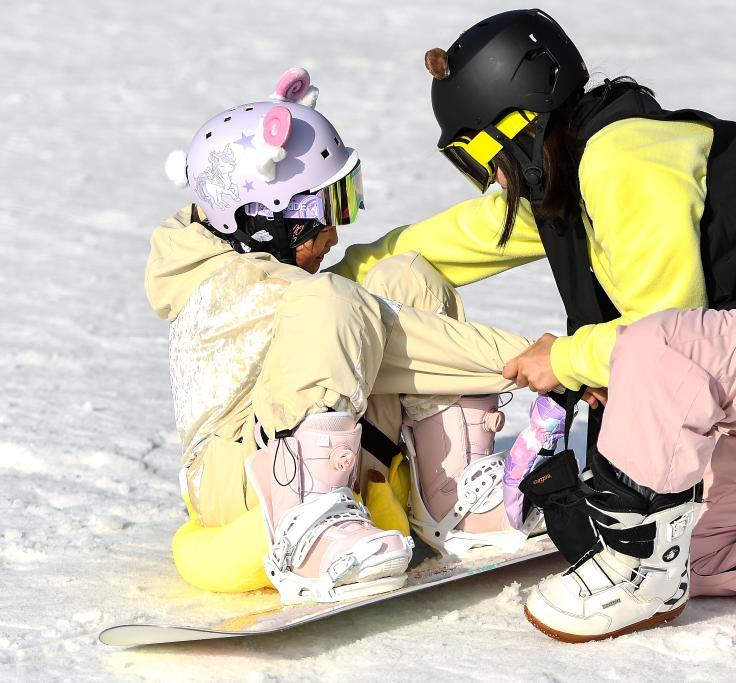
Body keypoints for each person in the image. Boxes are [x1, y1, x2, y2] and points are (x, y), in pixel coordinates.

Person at [333, 10, 736, 641]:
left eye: (476, 150)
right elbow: (444, 242)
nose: (487, 177)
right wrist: (324, 284)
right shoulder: (570, 180)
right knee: (692, 548)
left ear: (521, 122)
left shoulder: (624, 159)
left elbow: (666, 332)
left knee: (650, 371)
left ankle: (635, 573)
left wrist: (567, 359)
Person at [146, 68, 542, 603]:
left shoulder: (266, 268)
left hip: (321, 456)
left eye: (345, 201)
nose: (335, 233)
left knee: (407, 277)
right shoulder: (233, 286)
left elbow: (374, 308)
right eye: (326, 211)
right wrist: (546, 361)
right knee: (333, 301)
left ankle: (452, 498)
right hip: (240, 485)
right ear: (265, 219)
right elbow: (393, 335)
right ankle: (308, 535)